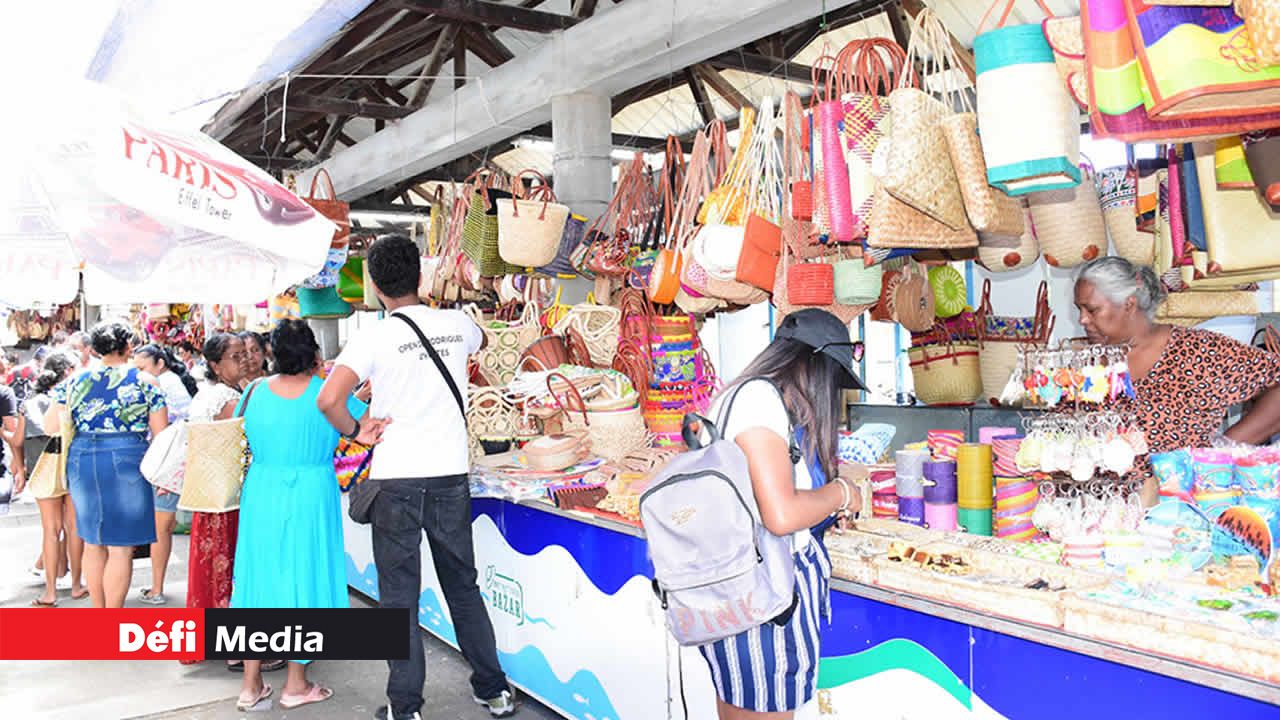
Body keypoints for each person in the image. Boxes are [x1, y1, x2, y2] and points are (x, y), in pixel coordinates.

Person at [317, 234, 516, 720]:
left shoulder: (373, 337)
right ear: (421, 276)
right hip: (449, 476)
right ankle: (493, 691)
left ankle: (405, 708)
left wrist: (356, 430)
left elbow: (328, 400)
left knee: (399, 602)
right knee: (463, 587)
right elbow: (484, 339)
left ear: (376, 287)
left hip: (396, 482)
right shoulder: (456, 323)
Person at [693, 308, 865, 720]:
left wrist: (820, 507)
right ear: (814, 365)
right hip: (761, 602)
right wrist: (841, 493)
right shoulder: (759, 400)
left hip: (737, 589)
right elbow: (781, 514)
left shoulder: (743, 396)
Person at [231, 320, 383, 711]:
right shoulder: (326, 393)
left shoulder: (253, 391)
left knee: (257, 582)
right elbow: (368, 427)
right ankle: (295, 685)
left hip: (262, 491)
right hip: (310, 493)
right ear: (315, 356)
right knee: (305, 578)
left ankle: (251, 686)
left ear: (272, 354)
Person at [1074, 257, 1280, 505]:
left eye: (1091, 309)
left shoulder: (1196, 351)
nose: (1082, 320)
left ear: (1129, 305)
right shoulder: (1088, 360)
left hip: (1181, 515)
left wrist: (1221, 450)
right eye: (1079, 310)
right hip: (1099, 515)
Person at [44, 322, 168, 608]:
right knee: (121, 546)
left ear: (96, 348)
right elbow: (161, 433)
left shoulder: (75, 380)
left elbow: (51, 425)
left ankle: (98, 615)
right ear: (128, 347)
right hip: (129, 456)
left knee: (92, 539)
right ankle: (113, 621)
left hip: (83, 457)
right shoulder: (146, 381)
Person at [132, 344, 197, 604]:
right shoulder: (171, 382)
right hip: (169, 464)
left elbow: (168, 433)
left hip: (166, 465)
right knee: (163, 527)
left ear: (159, 364)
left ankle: (157, 589)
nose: (138, 374)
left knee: (161, 528)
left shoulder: (163, 385)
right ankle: (156, 587)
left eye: (141, 368)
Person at [26, 353, 86, 606]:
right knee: (74, 528)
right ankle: (75, 585)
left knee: (51, 530)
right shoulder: (78, 391)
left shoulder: (35, 399)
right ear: (69, 369)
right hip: (73, 462)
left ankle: (50, 592)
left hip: (46, 464)